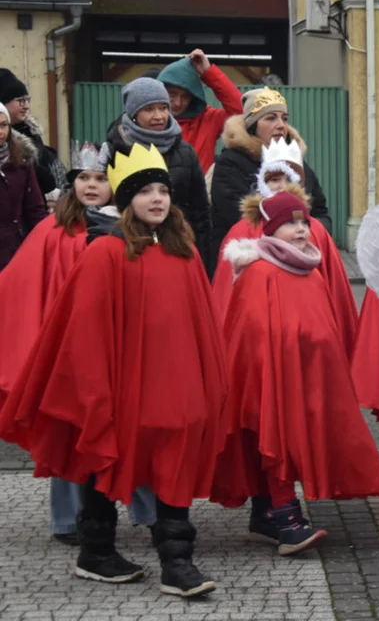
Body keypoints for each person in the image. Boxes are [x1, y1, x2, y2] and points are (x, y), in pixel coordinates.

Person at [0, 142, 225, 597]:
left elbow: (202, 321)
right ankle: (97, 552)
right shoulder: (106, 253)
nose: (157, 199)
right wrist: (96, 392)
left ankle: (176, 561)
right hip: (125, 385)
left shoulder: (183, 252)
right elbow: (86, 328)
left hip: (176, 387)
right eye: (145, 192)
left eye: (163, 190)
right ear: (126, 199)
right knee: (106, 458)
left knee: (173, 460)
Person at [211, 190, 379, 556]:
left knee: (287, 441)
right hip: (268, 379)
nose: (299, 230)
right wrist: (272, 369)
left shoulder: (309, 269)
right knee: (274, 441)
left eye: (302, 222)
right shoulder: (258, 271)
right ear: (270, 228)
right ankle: (287, 518)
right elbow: (250, 331)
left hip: (305, 376)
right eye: (289, 224)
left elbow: (320, 324)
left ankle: (265, 516)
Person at [0, 141, 157, 543]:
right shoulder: (54, 231)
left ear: (114, 186)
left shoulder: (131, 231)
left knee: (129, 430)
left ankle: (149, 511)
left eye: (101, 179)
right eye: (83, 178)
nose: (91, 185)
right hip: (68, 352)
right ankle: (69, 519)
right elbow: (21, 283)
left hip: (119, 348)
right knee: (71, 433)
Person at [211, 138, 357, 360]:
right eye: (274, 179)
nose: (280, 186)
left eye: (289, 179)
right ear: (262, 182)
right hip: (259, 335)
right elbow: (227, 299)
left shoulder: (314, 230)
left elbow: (334, 293)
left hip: (308, 333)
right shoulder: (241, 231)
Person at [210, 87, 331, 268]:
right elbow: (237, 215)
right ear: (253, 125)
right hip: (248, 261)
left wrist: (309, 232)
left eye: (284, 118)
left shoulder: (299, 165)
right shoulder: (231, 163)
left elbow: (320, 212)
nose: (281, 125)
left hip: (301, 256)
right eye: (271, 118)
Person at [105, 78, 214, 274]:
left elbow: (200, 214)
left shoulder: (185, 152)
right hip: (130, 251)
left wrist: (204, 265)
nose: (159, 116)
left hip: (176, 248)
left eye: (164, 108)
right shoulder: (115, 149)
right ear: (133, 113)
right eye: (149, 109)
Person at [156, 49, 244, 173]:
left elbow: (242, 112)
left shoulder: (208, 119)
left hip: (201, 192)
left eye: (185, 96)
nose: (178, 102)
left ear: (194, 96)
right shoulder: (150, 120)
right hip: (158, 191)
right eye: (172, 94)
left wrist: (209, 73)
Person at [0, 68, 68, 202]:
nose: (26, 106)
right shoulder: (6, 143)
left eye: (27, 100)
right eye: (21, 100)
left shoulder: (31, 134)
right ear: (2, 103)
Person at [0, 102, 48, 269]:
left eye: (4, 125)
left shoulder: (20, 163)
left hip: (17, 252)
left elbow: (35, 210)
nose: (0, 132)